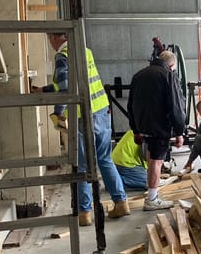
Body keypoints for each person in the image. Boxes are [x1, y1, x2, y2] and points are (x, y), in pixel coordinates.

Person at [31, 31, 129, 226]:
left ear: (58, 37)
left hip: (81, 115)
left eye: (50, 38)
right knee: (104, 159)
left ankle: (84, 213)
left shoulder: (62, 55)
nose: (50, 42)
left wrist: (58, 112)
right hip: (101, 111)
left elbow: (66, 89)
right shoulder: (85, 51)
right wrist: (45, 90)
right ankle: (121, 202)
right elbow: (72, 83)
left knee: (81, 165)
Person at [128, 50, 186, 211]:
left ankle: (153, 191)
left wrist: (135, 128)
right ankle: (152, 199)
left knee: (151, 158)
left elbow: (131, 104)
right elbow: (176, 106)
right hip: (160, 126)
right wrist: (180, 131)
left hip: (143, 125)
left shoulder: (139, 75)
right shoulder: (168, 75)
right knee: (156, 161)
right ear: (172, 64)